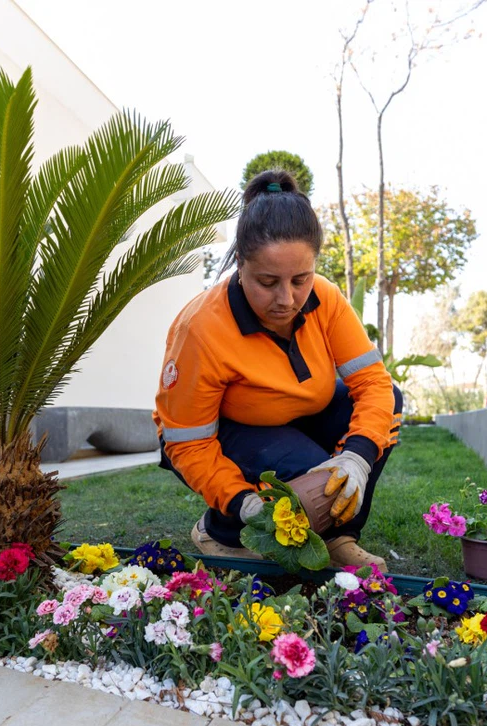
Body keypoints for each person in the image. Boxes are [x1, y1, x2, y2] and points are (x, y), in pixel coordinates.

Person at [154, 169, 403, 569]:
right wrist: (242, 502)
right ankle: (220, 528)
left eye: (300, 279)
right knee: (306, 480)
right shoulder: (201, 328)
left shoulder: (326, 298)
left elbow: (374, 384)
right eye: (267, 282)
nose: (286, 299)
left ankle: (338, 536)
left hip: (297, 419)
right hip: (227, 433)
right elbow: (187, 442)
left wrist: (356, 457)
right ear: (240, 265)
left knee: (388, 406)